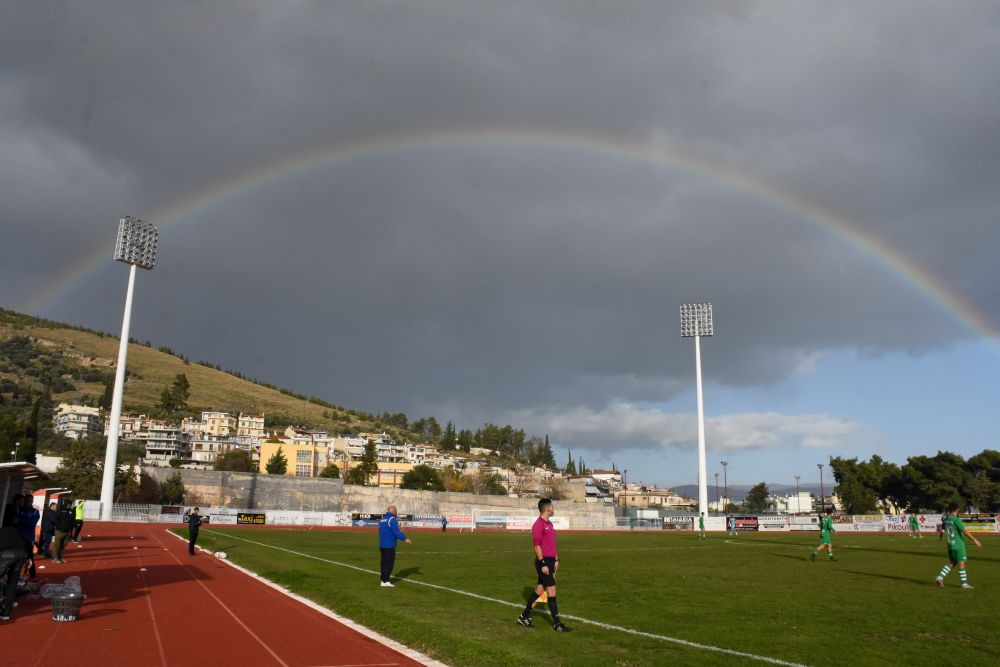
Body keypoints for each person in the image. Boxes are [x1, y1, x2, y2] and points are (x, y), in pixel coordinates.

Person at [517, 498, 571, 632]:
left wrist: (557, 560)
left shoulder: (550, 524)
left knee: (540, 590)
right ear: (547, 508)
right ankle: (557, 624)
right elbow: (537, 546)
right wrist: (543, 564)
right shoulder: (538, 525)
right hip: (543, 561)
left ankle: (524, 616)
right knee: (552, 590)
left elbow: (552, 544)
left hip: (551, 561)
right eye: (552, 507)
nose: (554, 509)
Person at [936, 503, 982, 589]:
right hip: (958, 544)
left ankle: (940, 577)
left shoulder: (946, 519)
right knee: (961, 563)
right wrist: (975, 540)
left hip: (950, 544)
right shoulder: (956, 519)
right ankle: (964, 584)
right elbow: (965, 531)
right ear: (957, 510)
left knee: (953, 563)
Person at [0, 525, 31, 621]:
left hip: (7, 554)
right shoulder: (14, 530)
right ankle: (6, 612)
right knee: (12, 582)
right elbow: (29, 543)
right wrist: (29, 558)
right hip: (22, 555)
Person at [378, 505, 411, 586]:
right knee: (389, 563)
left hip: (382, 545)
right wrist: (405, 539)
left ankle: (383, 580)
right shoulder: (392, 519)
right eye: (396, 511)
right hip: (389, 545)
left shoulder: (382, 519)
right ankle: (386, 581)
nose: (397, 513)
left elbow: (379, 531)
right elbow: (396, 531)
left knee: (383, 563)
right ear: (393, 511)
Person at [16, 495, 39, 578]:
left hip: (29, 538)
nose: (29, 502)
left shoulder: (35, 511)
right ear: (24, 501)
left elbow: (32, 523)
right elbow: (15, 521)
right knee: (17, 557)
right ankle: (16, 576)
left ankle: (33, 576)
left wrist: (21, 519)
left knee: (30, 557)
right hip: (18, 537)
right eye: (27, 500)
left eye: (30, 501)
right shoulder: (19, 509)